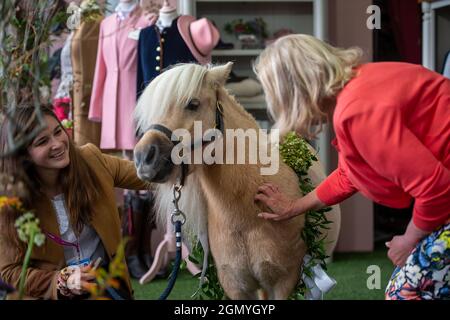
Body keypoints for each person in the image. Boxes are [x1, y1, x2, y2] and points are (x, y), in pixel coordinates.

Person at [253, 34, 450, 300]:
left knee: (405, 293)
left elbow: (436, 188)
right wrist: (293, 207)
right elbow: (351, 174)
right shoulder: (362, 82)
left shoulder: (356, 111)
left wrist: (409, 239)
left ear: (293, 91)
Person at [0, 105, 151, 299]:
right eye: (43, 141)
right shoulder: (10, 201)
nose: (58, 144)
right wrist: (61, 280)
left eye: (58, 132)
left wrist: (190, 157)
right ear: (22, 154)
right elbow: (7, 273)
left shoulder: (91, 161)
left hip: (108, 287)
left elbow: (148, 174)